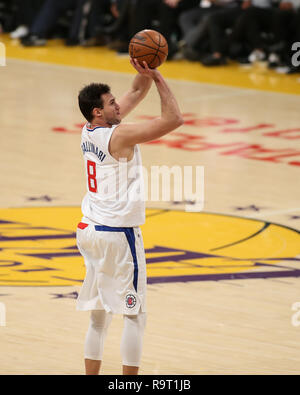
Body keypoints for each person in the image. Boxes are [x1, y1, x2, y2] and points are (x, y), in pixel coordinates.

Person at [76, 58, 183, 375]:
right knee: (136, 315)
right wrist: (161, 79)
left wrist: (145, 69)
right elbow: (173, 119)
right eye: (112, 103)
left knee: (99, 316)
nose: (118, 105)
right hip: (117, 235)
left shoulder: (90, 129)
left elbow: (136, 92)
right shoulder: (118, 136)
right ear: (99, 111)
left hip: (89, 229)